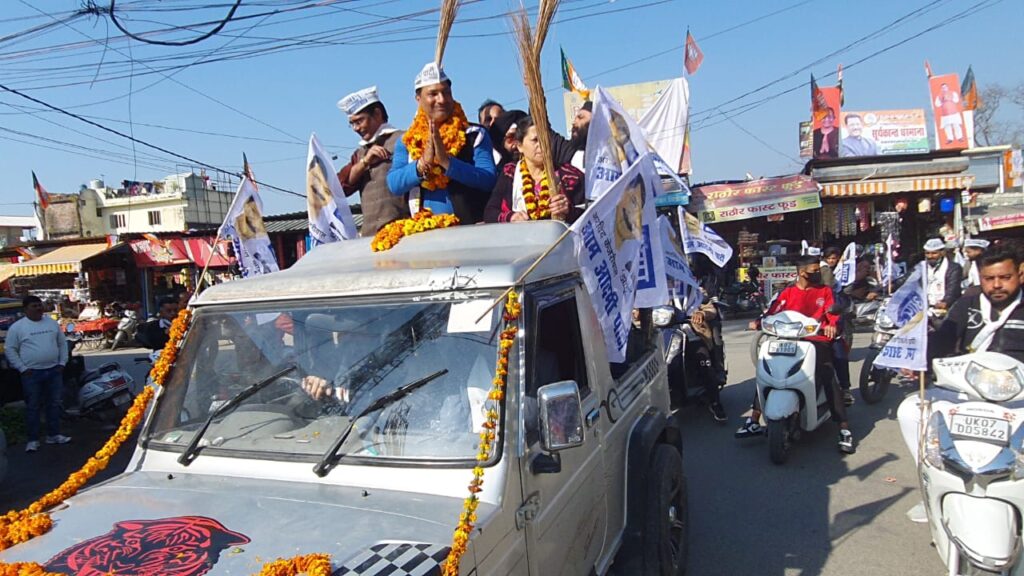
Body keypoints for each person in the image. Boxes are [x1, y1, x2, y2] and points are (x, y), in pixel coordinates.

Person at [899, 248, 1024, 465]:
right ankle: (931, 476)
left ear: (1020, 274)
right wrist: (920, 361)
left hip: (1017, 396)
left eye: (1005, 277)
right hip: (968, 389)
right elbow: (943, 337)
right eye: (989, 278)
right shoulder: (968, 304)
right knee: (910, 411)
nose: (996, 285)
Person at [738, 256, 855, 454]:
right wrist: (759, 323)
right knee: (768, 372)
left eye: (818, 269)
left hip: (816, 340)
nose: (818, 273)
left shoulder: (825, 292)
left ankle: (843, 428)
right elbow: (773, 312)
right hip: (787, 341)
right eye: (814, 270)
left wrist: (831, 327)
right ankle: (754, 419)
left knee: (827, 374)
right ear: (802, 272)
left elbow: (833, 315)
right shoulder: (788, 293)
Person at [387, 62, 498, 224]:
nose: (442, 99)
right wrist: (422, 163)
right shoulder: (407, 141)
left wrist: (447, 162)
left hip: (471, 230)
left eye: (446, 92)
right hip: (425, 231)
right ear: (418, 99)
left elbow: (488, 179)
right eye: (433, 94)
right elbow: (394, 184)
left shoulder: (474, 134)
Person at [336, 86, 409, 236]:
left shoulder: (405, 140)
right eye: (352, 123)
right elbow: (340, 187)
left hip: (404, 234)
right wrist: (364, 162)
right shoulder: (360, 153)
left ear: (377, 114)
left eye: (359, 121)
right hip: (371, 237)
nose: (356, 128)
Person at [484, 116, 584, 224]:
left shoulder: (570, 175)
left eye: (545, 139)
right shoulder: (510, 173)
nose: (542, 145)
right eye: (535, 140)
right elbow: (490, 212)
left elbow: (588, 213)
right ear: (519, 146)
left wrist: (568, 211)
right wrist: (510, 217)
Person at [5, 295, 70, 452]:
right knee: (33, 406)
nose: (38, 308)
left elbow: (62, 344)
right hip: (31, 374)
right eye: (34, 306)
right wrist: (22, 368)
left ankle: (53, 435)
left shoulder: (51, 323)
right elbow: (10, 349)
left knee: (54, 404)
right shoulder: (18, 327)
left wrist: (62, 363)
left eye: (39, 305)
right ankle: (33, 440)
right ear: (26, 309)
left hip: (54, 371)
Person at [923, 237, 963, 316]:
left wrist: (946, 301)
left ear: (942, 253)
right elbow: (908, 279)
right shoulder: (922, 267)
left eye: (934, 253)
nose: (930, 256)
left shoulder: (953, 268)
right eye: (927, 253)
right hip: (925, 308)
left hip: (945, 310)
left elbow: (953, 288)